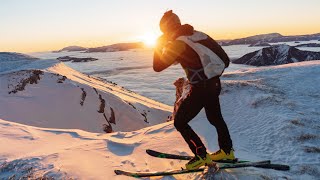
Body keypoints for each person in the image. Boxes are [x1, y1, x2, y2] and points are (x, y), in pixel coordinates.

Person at [153, 10, 235, 170]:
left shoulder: (178, 42)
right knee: (215, 119)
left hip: (201, 88)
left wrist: (157, 45)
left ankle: (200, 155)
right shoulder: (194, 35)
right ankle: (227, 152)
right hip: (214, 83)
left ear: (166, 29)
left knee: (180, 122)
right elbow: (218, 58)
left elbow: (158, 66)